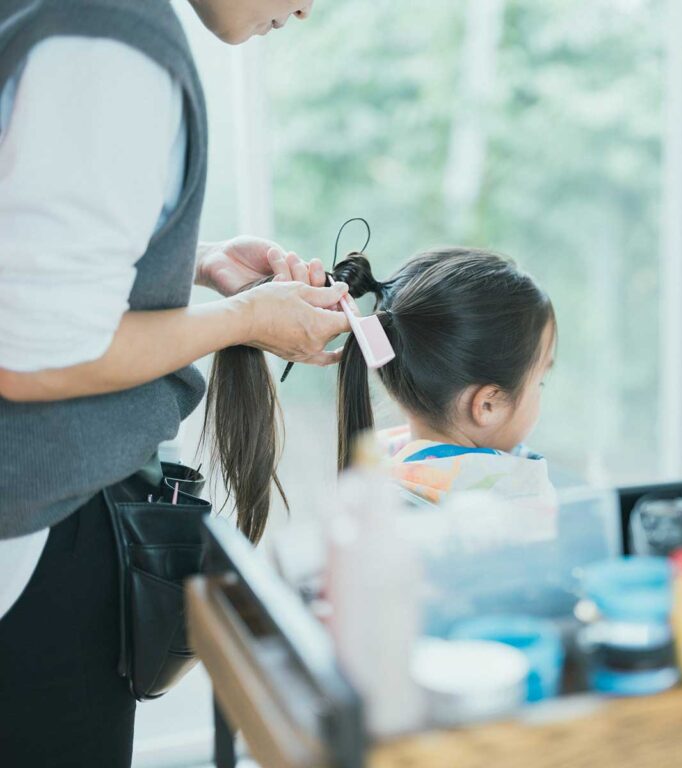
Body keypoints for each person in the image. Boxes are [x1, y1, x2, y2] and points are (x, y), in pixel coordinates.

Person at [0, 1, 346, 766]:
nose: (306, 7)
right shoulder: (106, 41)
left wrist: (198, 258)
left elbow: (26, 250)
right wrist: (245, 320)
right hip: (31, 532)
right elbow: (32, 357)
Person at [334, 249, 557, 506]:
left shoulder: (379, 470)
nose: (541, 389)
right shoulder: (516, 502)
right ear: (488, 404)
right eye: (540, 381)